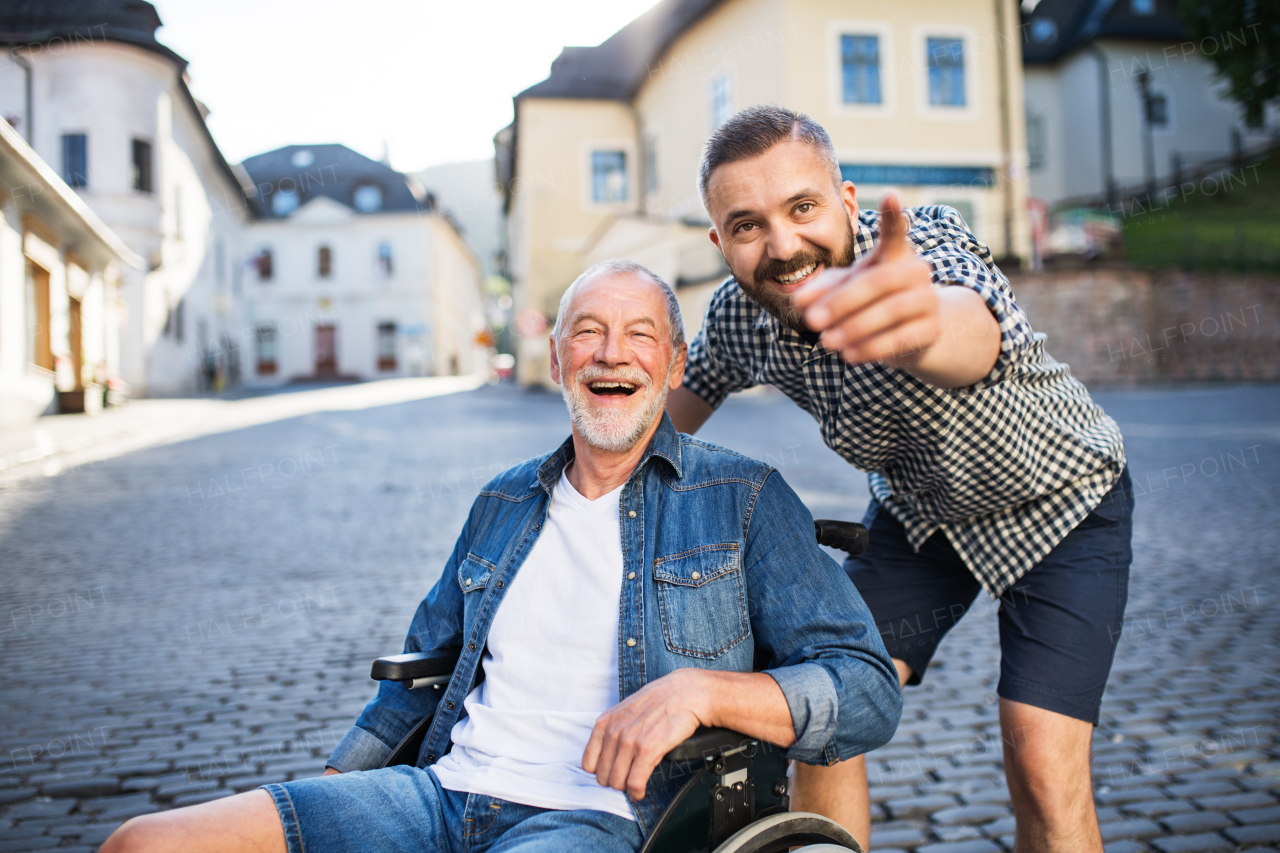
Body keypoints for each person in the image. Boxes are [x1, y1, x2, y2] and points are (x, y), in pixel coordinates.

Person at [103, 259, 903, 853]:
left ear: (673, 365)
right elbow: (420, 671)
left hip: (595, 817)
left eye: (639, 334)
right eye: (586, 331)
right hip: (440, 796)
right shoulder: (504, 500)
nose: (610, 352)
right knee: (141, 843)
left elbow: (865, 688)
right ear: (556, 361)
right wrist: (339, 790)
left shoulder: (743, 496)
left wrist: (703, 691)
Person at [665, 105, 1133, 853]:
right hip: (924, 519)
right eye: (749, 225)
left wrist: (914, 325)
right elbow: (655, 434)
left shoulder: (924, 246)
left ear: (848, 203)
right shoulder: (738, 319)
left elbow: (968, 327)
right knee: (825, 707)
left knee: (1042, 760)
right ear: (720, 242)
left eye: (804, 207)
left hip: (1062, 503)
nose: (784, 245)